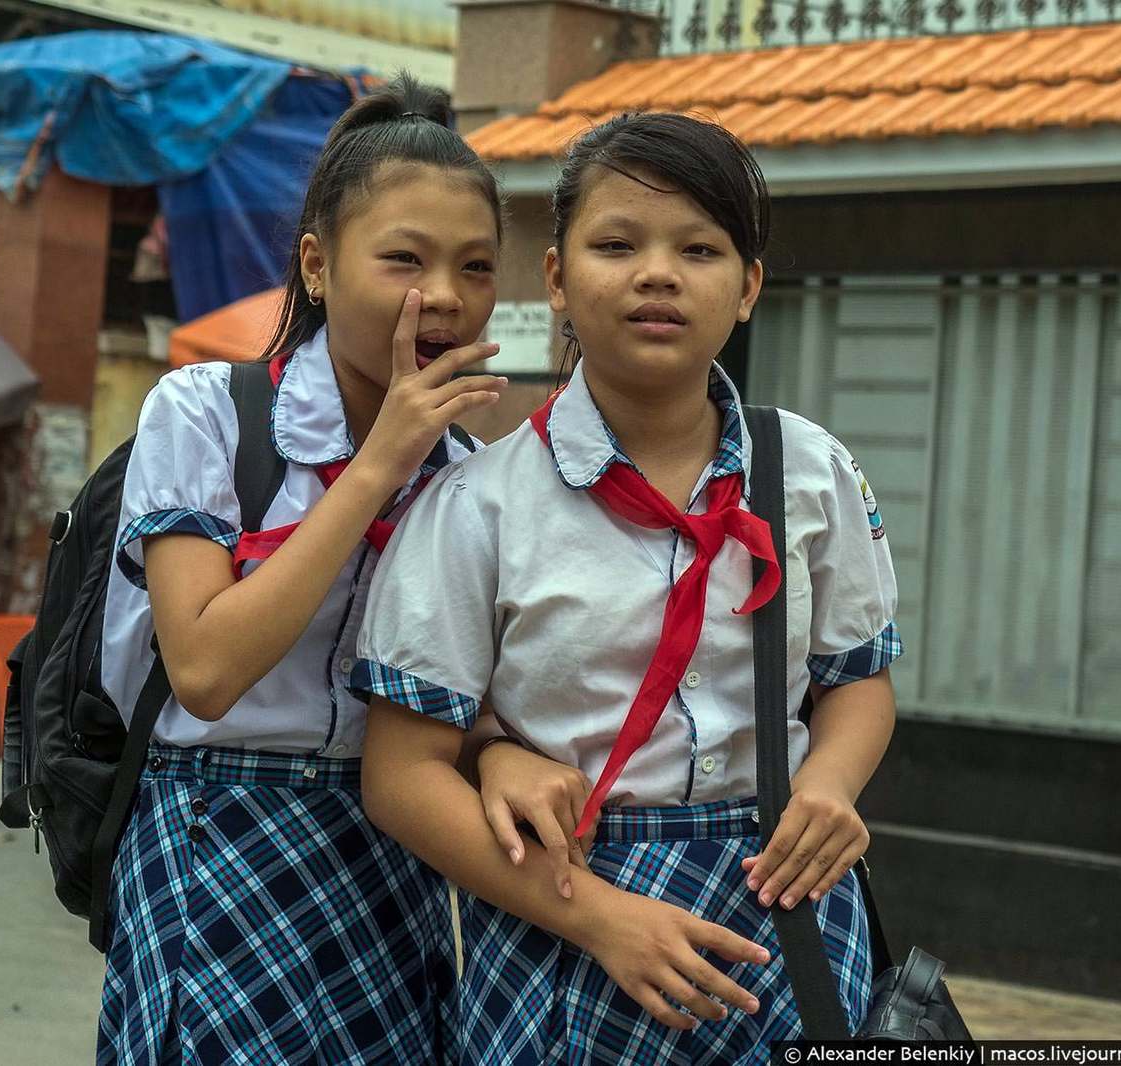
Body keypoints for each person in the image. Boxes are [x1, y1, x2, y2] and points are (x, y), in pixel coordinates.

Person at [354, 111, 902, 1062]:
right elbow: (400, 778)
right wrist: (604, 919)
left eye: (701, 248)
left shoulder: (808, 471)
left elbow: (856, 680)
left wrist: (829, 784)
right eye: (617, 244)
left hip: (789, 902)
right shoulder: (475, 505)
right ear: (557, 277)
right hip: (563, 920)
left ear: (748, 288)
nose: (658, 274)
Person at [94, 73, 507, 1065]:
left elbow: (474, 697)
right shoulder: (204, 413)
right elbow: (204, 666)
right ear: (317, 266)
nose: (442, 296)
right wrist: (375, 469)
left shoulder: (473, 477)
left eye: (476, 267)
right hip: (215, 829)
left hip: (391, 849)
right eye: (403, 259)